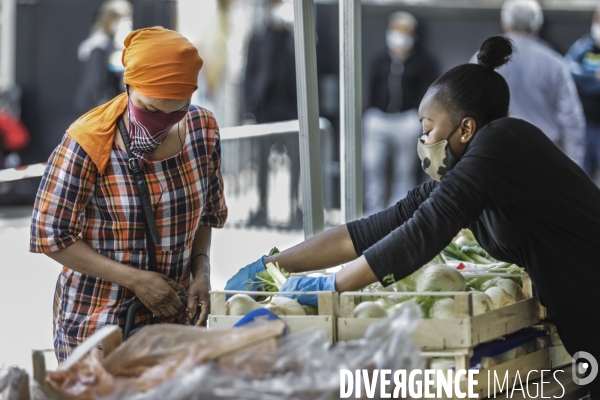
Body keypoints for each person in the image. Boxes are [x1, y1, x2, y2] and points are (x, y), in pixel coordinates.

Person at [227, 36, 600, 398]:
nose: (423, 142)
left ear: (466, 128)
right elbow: (370, 231)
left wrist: (332, 287)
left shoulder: (502, 141)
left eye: (428, 129)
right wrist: (272, 265)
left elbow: (423, 232)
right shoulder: (472, 175)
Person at [30, 27, 228, 361]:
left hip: (175, 322)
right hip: (98, 326)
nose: (160, 122)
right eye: (150, 109)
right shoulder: (87, 142)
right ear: (128, 87)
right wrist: (136, 281)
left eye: (175, 111)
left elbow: (208, 212)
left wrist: (201, 272)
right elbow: (50, 235)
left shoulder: (202, 130)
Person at [470, 0, 585, 165]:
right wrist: (575, 166)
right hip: (543, 157)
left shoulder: (480, 59)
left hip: (494, 154)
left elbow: (468, 108)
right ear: (538, 25)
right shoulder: (555, 63)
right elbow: (571, 119)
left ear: (504, 23)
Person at [363, 11, 437, 215]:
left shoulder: (423, 63)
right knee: (372, 166)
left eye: (405, 32)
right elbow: (371, 89)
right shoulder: (380, 60)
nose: (399, 36)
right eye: (395, 30)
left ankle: (396, 214)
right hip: (379, 119)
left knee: (403, 171)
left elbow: (427, 95)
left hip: (406, 121)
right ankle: (372, 211)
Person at [242, 0, 301, 228]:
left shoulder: (296, 39)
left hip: (292, 111)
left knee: (296, 162)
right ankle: (262, 207)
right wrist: (249, 110)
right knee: (262, 163)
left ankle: (294, 208)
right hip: (265, 110)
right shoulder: (258, 38)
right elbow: (250, 75)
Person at [74, 0, 133, 114]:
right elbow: (94, 87)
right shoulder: (99, 47)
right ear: (109, 19)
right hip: (100, 111)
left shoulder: (116, 45)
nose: (125, 23)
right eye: (119, 19)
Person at [565, 4, 600, 182]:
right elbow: (568, 70)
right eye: (598, 19)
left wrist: (587, 82)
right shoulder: (584, 46)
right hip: (585, 124)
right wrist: (593, 78)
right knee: (583, 178)